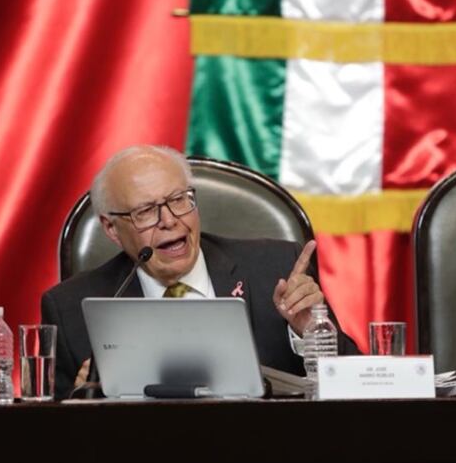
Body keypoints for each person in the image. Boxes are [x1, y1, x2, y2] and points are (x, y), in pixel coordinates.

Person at [41, 145, 359, 396]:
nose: (169, 220)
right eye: (146, 211)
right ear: (111, 229)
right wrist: (84, 397)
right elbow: (60, 438)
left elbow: (358, 385)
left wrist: (312, 334)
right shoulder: (71, 309)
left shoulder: (275, 269)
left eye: (179, 200)